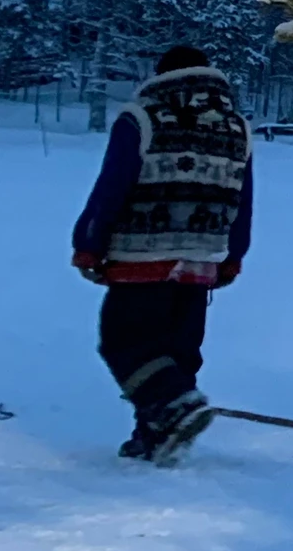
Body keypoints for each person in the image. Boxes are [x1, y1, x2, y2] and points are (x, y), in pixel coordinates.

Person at [69, 45, 253, 462]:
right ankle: (156, 436)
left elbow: (113, 185)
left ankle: (174, 407)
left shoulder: (141, 118)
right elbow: (245, 197)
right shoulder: (237, 127)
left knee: (124, 342)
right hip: (202, 259)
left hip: (142, 255)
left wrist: (89, 243)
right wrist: (233, 254)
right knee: (177, 349)